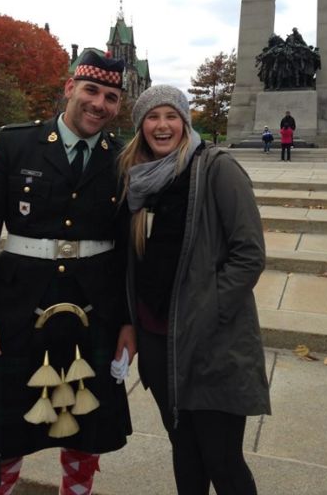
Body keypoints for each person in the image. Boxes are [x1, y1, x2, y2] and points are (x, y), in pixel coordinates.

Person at [0, 49, 136, 495]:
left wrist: (129, 322)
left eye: (111, 97)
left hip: (96, 309)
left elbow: (132, 250)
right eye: (91, 90)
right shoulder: (15, 144)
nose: (99, 104)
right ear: (70, 88)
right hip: (15, 306)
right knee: (3, 429)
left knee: (86, 426)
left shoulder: (124, 158)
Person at [116, 85, 270, 495]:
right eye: (152, 117)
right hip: (156, 341)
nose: (162, 125)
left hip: (210, 343)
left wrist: (206, 310)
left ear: (184, 122)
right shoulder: (136, 180)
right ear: (141, 126)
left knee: (222, 459)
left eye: (171, 116)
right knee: (184, 451)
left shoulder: (218, 168)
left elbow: (249, 254)